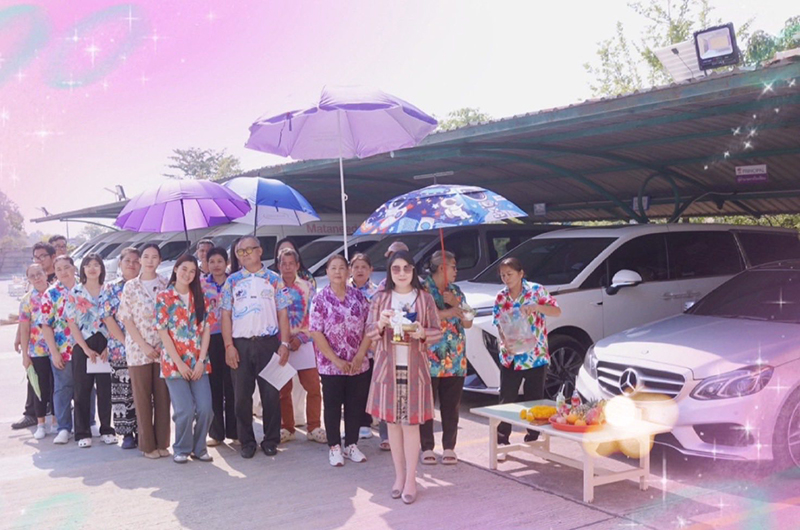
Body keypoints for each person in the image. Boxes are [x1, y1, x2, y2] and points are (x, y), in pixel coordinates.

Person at [366, 250, 442, 504]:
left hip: (414, 369)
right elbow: (368, 331)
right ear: (389, 271)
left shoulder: (424, 298)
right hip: (387, 368)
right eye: (396, 268)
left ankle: (411, 479)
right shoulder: (381, 298)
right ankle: (399, 477)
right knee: (392, 425)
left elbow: (437, 332)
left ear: (413, 270)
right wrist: (380, 324)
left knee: (411, 425)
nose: (401, 273)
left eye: (406, 268)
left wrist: (422, 332)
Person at [221, 236, 291, 459]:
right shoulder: (232, 281)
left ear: (260, 251)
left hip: (268, 343)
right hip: (240, 344)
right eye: (240, 252)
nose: (245, 255)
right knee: (242, 397)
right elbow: (225, 315)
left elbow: (283, 314)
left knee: (271, 395)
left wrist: (285, 343)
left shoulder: (274, 279)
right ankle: (247, 441)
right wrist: (228, 346)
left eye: (249, 250)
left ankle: (270, 440)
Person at [492, 257, 561, 458]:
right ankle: (502, 440)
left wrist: (536, 307)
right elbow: (499, 322)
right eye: (503, 275)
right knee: (507, 399)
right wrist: (504, 341)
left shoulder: (536, 291)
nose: (506, 279)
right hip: (511, 355)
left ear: (521, 273)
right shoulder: (501, 296)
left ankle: (533, 437)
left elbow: (556, 311)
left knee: (535, 399)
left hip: (535, 355)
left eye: (510, 274)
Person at [309, 254, 372, 467]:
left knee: (355, 404)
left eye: (342, 268)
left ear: (348, 271)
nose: (338, 272)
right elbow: (316, 332)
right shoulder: (319, 299)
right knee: (333, 405)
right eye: (333, 268)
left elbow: (369, 327)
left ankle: (351, 444)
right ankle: (334, 446)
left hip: (357, 362)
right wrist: (336, 360)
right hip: (331, 365)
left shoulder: (359, 297)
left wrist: (360, 355)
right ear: (327, 272)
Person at [156, 254, 214, 464]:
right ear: (175, 269)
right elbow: (163, 333)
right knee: (184, 410)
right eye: (184, 269)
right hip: (174, 364)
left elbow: (206, 331)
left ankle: (199, 448)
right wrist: (179, 363)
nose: (187, 274)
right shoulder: (164, 297)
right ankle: (181, 448)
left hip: (198, 362)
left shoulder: (201, 298)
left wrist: (200, 361)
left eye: (192, 271)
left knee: (206, 408)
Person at [420, 250, 472, 465]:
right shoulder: (422, 290)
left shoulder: (456, 291)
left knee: (451, 406)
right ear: (442, 267)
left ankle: (449, 446)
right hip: (429, 358)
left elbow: (468, 321)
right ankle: (426, 447)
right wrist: (446, 311)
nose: (456, 271)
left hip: (455, 358)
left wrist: (456, 304)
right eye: (453, 266)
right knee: (426, 406)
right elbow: (421, 317)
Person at [119, 243, 171, 459]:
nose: (150, 261)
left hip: (163, 349)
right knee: (142, 399)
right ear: (140, 260)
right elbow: (126, 318)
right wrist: (144, 346)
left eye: (154, 257)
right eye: (146, 257)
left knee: (163, 398)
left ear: (160, 260)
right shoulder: (130, 286)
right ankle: (148, 446)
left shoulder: (166, 284)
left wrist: (161, 345)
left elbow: (171, 316)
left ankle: (163, 443)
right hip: (138, 350)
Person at [65, 253, 116, 448]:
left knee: (105, 389)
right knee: (82, 390)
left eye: (96, 265)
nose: (93, 268)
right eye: (88, 265)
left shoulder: (109, 290)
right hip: (83, 345)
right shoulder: (75, 292)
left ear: (102, 268)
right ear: (83, 269)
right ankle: (82, 432)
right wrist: (85, 349)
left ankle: (107, 429)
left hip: (105, 344)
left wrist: (109, 347)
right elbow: (72, 323)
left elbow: (116, 320)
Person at [277, 248, 326, 444]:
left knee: (313, 387)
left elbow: (314, 317)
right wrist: (283, 340)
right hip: (281, 345)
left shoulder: (308, 287)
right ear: (279, 266)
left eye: (291, 264)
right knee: (283, 390)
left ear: (297, 265)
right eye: (284, 264)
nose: (288, 267)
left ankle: (314, 427)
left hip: (304, 343)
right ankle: (287, 428)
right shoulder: (273, 287)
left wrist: (302, 338)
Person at [12, 242, 57, 431]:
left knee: (57, 385)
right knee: (39, 385)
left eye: (39, 274)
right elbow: (24, 327)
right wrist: (24, 353)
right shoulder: (27, 300)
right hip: (37, 350)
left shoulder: (57, 292)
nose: (37, 278)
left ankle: (57, 421)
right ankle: (38, 421)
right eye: (32, 276)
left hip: (58, 348)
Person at [100, 247, 141, 449]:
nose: (132, 265)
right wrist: (127, 342)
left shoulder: (146, 286)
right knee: (122, 393)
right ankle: (126, 434)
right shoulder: (111, 288)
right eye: (127, 261)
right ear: (120, 264)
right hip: (120, 348)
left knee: (143, 393)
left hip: (144, 349)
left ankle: (144, 432)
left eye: (136, 261)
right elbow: (108, 318)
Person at [348, 253, 388, 447]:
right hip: (348, 347)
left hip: (371, 348)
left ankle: (366, 422)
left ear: (371, 270)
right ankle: (352, 424)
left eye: (364, 267)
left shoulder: (376, 292)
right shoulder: (344, 290)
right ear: (350, 270)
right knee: (351, 389)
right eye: (356, 267)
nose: (360, 271)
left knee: (367, 386)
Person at [39, 255, 78, 444]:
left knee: (87, 387)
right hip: (62, 349)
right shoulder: (51, 293)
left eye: (67, 267)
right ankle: (64, 427)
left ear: (74, 268)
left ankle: (88, 423)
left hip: (86, 348)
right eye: (59, 269)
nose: (63, 272)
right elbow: (46, 325)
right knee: (62, 388)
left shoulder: (84, 288)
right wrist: (54, 352)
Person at [202, 246, 237, 446]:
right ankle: (216, 433)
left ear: (227, 263)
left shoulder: (235, 282)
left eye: (220, 261)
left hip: (232, 338)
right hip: (210, 338)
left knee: (232, 385)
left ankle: (235, 431)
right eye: (212, 261)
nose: (216, 265)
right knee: (213, 386)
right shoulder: (200, 285)